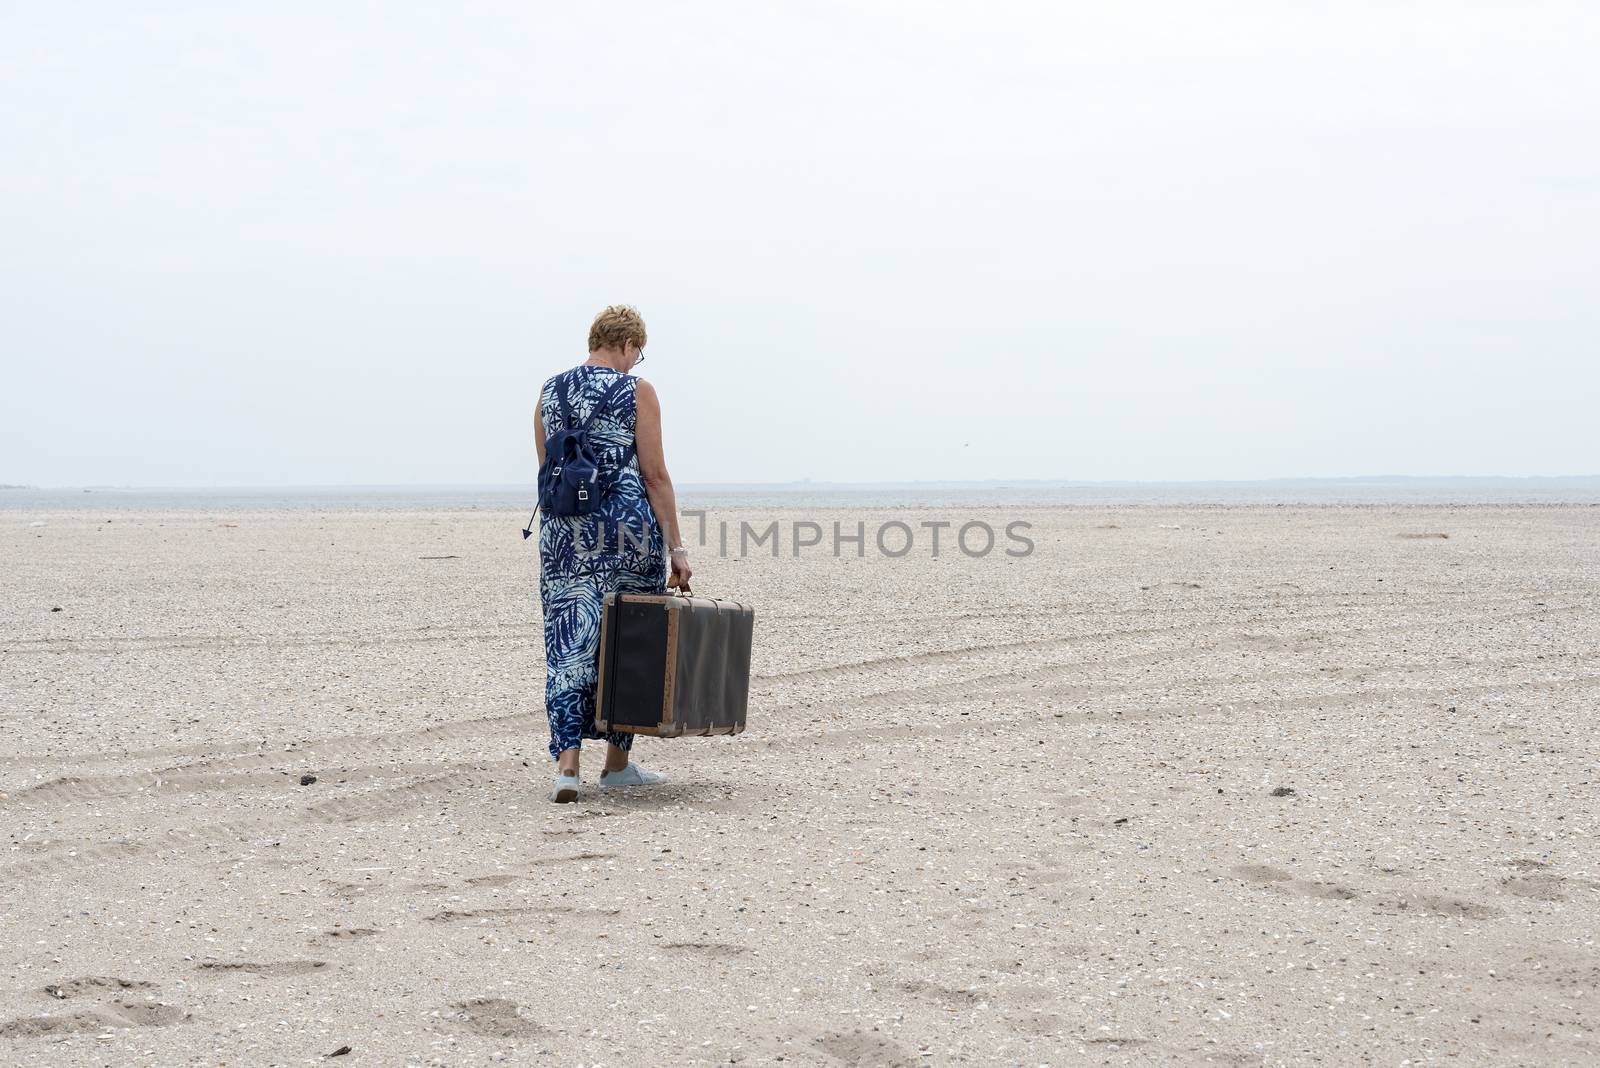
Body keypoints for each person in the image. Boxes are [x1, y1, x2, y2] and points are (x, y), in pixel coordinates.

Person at [535, 305, 692, 803]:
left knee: (569, 641)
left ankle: (567, 768)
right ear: (627, 344)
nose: (635, 362)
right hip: (626, 532)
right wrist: (677, 548)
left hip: (563, 535)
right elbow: (655, 475)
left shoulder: (549, 392)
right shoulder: (635, 390)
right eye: (637, 353)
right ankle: (617, 766)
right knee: (626, 639)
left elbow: (548, 467)